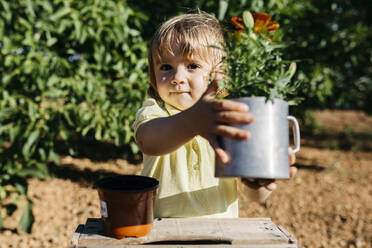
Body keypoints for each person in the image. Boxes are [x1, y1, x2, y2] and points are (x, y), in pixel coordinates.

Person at [132, 12, 297, 218]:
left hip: (220, 233)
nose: (177, 77)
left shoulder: (227, 120)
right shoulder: (155, 111)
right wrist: (193, 122)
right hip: (162, 232)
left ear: (221, 75)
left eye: (192, 66)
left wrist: (260, 181)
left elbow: (254, 196)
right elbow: (148, 141)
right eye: (166, 67)